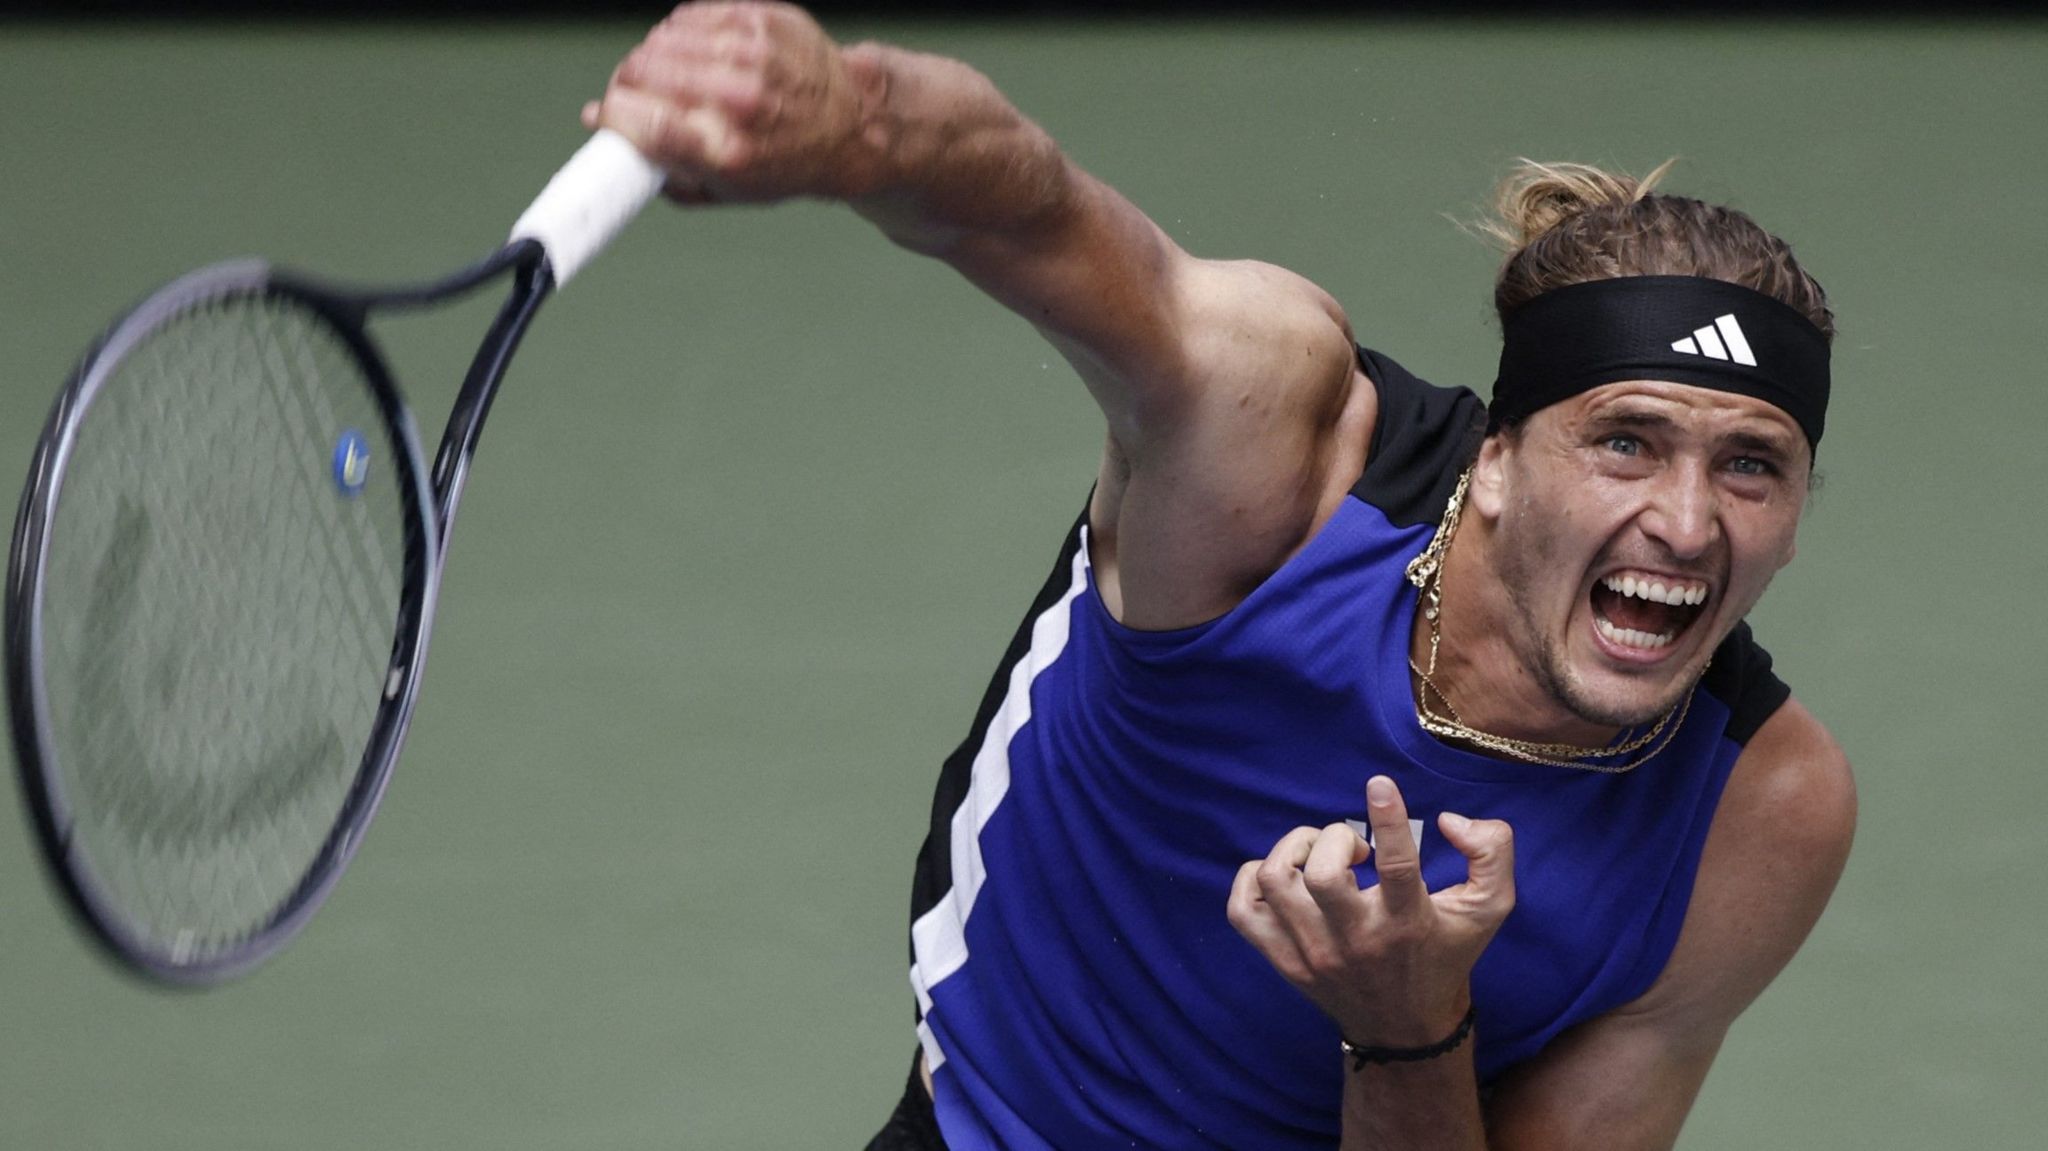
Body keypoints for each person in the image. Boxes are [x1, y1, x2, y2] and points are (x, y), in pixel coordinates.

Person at [586, 4, 1857, 1148]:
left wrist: (1406, 1026)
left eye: (1752, 465)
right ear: (1502, 457)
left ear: (1796, 517)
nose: (1685, 523)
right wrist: (858, 122)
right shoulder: (1285, 460)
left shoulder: (1764, 811)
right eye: (1623, 441)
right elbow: (1034, 215)